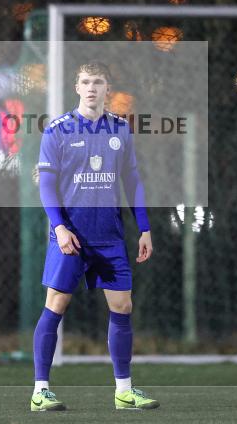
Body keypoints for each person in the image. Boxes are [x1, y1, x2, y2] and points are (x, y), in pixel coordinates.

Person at [30, 61, 159, 412]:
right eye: (85, 81)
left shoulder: (121, 129)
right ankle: (40, 391)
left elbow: (132, 181)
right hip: (70, 237)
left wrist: (144, 227)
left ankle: (124, 391)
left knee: (123, 307)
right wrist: (59, 227)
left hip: (109, 237)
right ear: (76, 87)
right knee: (55, 305)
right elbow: (45, 184)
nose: (91, 88)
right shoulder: (57, 129)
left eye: (97, 82)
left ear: (107, 88)